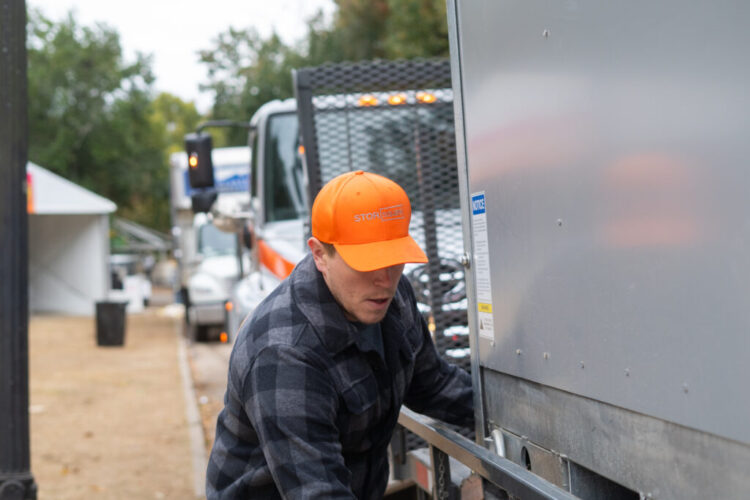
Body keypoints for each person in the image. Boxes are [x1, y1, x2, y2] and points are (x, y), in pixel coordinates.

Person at [206, 170, 473, 499]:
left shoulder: (395, 296)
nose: (385, 279)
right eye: (367, 262)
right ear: (319, 254)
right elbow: (318, 492)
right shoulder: (285, 352)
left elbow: (434, 386)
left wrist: (525, 417)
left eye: (394, 258)